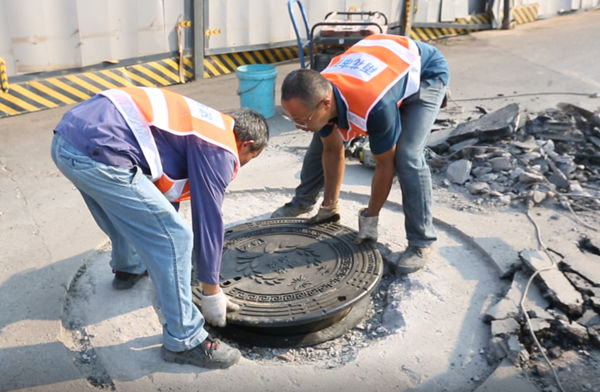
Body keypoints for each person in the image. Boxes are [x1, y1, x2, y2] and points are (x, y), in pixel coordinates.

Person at [51, 86, 269, 369]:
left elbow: (159, 193)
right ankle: (185, 339)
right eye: (248, 159)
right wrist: (211, 289)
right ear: (247, 144)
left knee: (127, 209)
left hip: (68, 139)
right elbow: (209, 220)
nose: (241, 165)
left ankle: (129, 267)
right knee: (176, 239)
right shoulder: (221, 148)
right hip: (100, 150)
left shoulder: (203, 124)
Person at [274, 34, 449, 274]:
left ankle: (421, 242)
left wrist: (370, 219)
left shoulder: (375, 107)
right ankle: (304, 202)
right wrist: (330, 206)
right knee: (320, 137)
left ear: (326, 104)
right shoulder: (319, 90)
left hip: (425, 70)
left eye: (302, 119)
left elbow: (385, 166)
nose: (298, 126)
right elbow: (333, 150)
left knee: (408, 156)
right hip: (382, 62)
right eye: (292, 119)